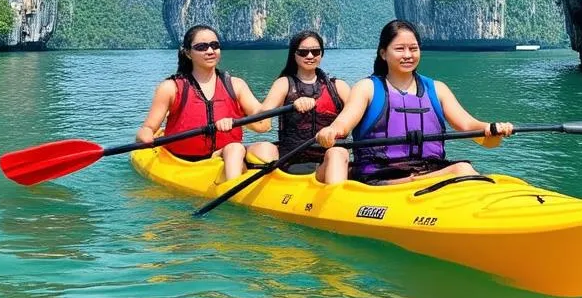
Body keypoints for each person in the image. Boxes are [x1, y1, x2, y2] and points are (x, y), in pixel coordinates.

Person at [315, 19, 514, 185]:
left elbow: (470, 127)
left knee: (464, 170)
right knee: (462, 169)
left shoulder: (437, 89)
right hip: (380, 177)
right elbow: (344, 123)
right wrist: (332, 130)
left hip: (429, 172)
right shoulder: (367, 88)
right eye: (400, 49)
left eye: (413, 48)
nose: (408, 55)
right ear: (384, 53)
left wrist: (491, 129)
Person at [135, 24, 267, 180]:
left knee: (265, 148)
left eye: (214, 45)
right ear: (188, 53)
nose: (210, 51)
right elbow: (148, 128)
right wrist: (145, 136)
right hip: (186, 161)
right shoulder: (170, 88)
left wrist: (237, 121)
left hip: (224, 156)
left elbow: (264, 125)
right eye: (201, 47)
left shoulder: (236, 85)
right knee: (235, 149)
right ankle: (232, 187)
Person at [248, 30, 352, 182]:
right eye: (303, 52)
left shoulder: (339, 87)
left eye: (315, 51)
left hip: (330, 161)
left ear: (321, 54)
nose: (310, 56)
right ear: (294, 54)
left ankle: (336, 195)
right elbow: (262, 119)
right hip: (294, 163)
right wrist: (293, 104)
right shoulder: (284, 84)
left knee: (337, 153)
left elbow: (359, 116)